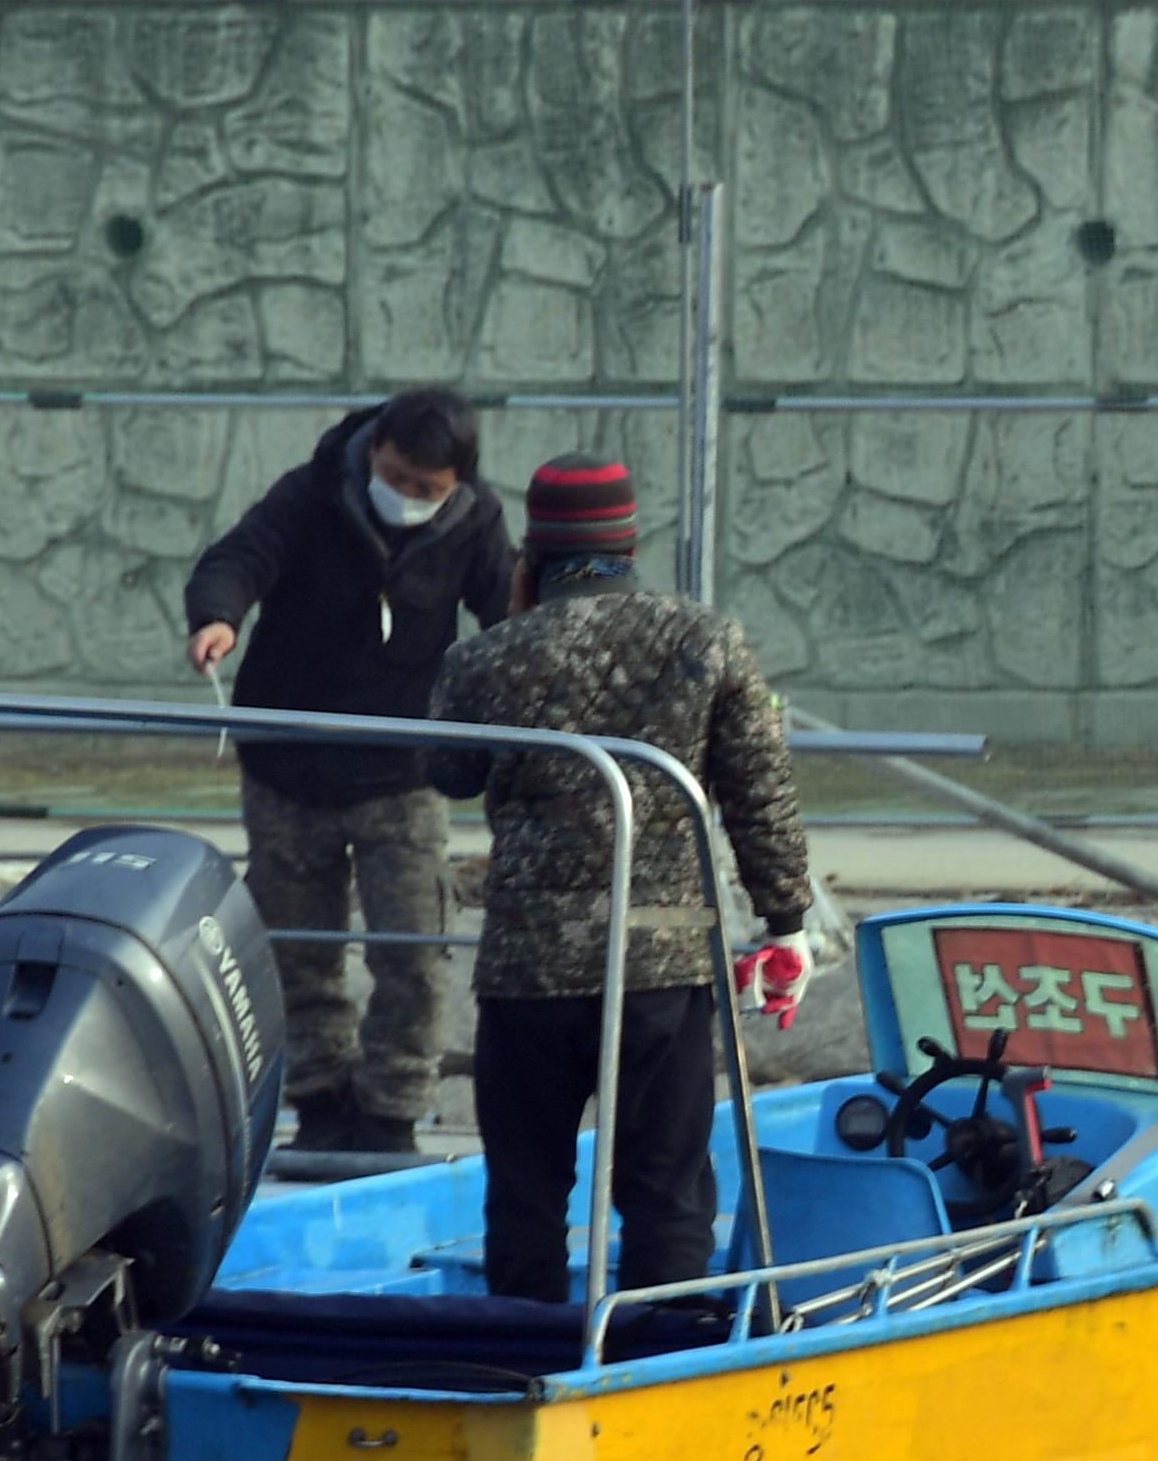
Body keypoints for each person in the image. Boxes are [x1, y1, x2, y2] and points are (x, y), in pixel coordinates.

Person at [427, 457, 814, 1307]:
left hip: (528, 970)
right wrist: (785, 917)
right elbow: (760, 789)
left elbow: (448, 769)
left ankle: (512, 1368)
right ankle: (661, 1356)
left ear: (535, 552)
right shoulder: (706, 640)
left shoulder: (489, 655)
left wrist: (512, 637)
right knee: (667, 1189)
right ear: (630, 541)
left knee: (525, 1191)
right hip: (661, 967)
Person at [183, 388, 513, 1156]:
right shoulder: (312, 490)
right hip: (287, 762)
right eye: (392, 475)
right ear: (374, 451)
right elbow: (241, 556)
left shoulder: (477, 522)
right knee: (297, 948)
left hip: (403, 770)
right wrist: (218, 614)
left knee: (415, 949)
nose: (402, 496)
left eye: (423, 490)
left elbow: (506, 610)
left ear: (456, 485)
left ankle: (392, 1111)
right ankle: (319, 1101)